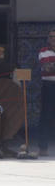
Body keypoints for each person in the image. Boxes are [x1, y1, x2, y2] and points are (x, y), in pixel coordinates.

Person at [36, 29, 55, 157]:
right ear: (48, 38)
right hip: (49, 86)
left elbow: (50, 66)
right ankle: (43, 147)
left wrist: (52, 65)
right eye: (51, 37)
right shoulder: (43, 52)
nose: (53, 39)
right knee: (46, 116)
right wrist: (50, 66)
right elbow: (46, 68)